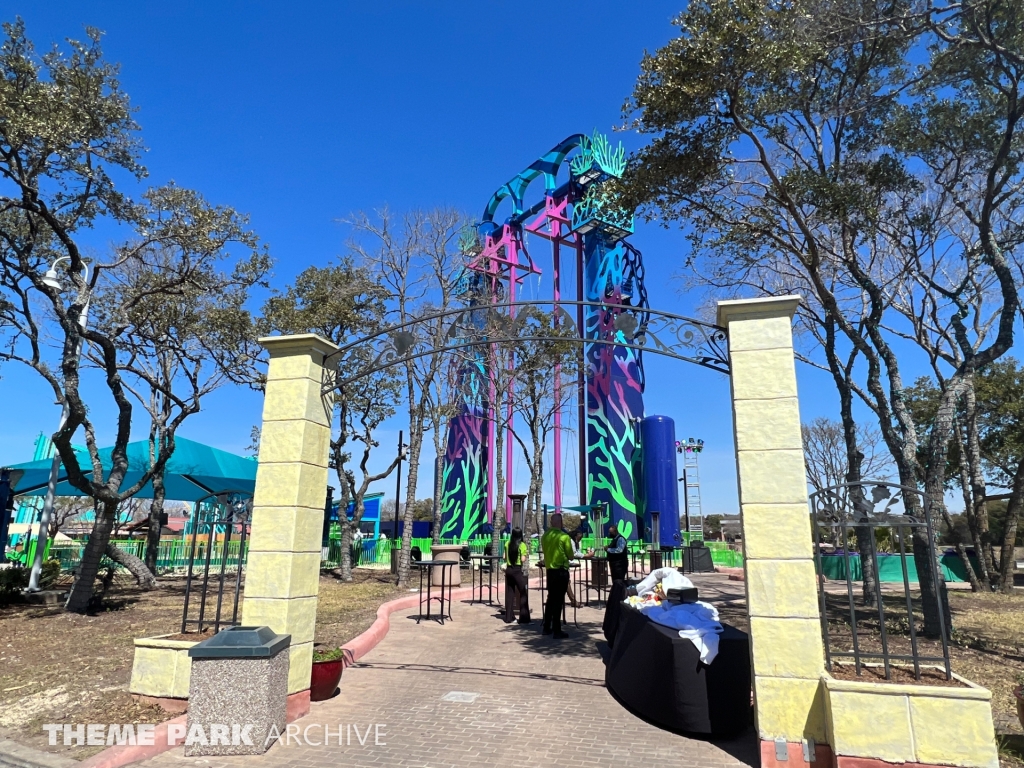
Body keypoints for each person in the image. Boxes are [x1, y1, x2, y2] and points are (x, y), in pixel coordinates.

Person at [540, 513, 574, 639]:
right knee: (558, 601)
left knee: (550, 599)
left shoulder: (545, 536)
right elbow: (570, 556)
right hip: (561, 571)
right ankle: (557, 630)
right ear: (561, 522)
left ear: (551, 522)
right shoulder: (564, 537)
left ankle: (546, 627)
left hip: (550, 571)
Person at [504, 527, 532, 624]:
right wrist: (525, 555)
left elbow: (504, 557)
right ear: (520, 535)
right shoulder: (522, 545)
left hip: (509, 569)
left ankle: (509, 618)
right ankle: (524, 618)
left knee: (510, 593)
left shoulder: (507, 543)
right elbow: (523, 559)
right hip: (517, 570)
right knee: (523, 592)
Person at [566, 529, 585, 608]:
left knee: (566, 583)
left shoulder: (575, 542)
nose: (579, 539)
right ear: (575, 536)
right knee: (566, 583)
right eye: (579, 538)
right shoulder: (570, 541)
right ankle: (573, 601)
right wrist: (585, 556)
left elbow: (577, 551)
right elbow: (573, 554)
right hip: (562, 564)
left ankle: (573, 600)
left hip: (565, 563)